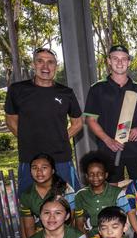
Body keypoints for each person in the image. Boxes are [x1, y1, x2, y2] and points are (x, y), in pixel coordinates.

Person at [5, 47, 82, 192]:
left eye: (50, 62)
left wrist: (61, 138)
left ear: (56, 66)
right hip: (29, 158)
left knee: (70, 201)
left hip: (61, 158)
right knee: (29, 204)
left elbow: (77, 122)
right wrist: (26, 138)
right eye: (40, 61)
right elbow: (10, 119)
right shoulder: (17, 90)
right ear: (34, 64)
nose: (45, 66)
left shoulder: (66, 93)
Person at [84, 45, 137, 183]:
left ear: (129, 62)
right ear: (109, 61)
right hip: (108, 149)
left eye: (124, 59)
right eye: (115, 58)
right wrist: (107, 140)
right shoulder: (97, 89)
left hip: (135, 148)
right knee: (112, 189)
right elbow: (91, 120)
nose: (120, 62)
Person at [74, 152, 130, 238]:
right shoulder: (80, 196)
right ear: (86, 176)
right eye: (91, 174)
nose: (95, 177)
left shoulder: (117, 193)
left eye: (100, 173)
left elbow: (126, 222)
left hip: (115, 237)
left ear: (106, 175)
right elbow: (79, 226)